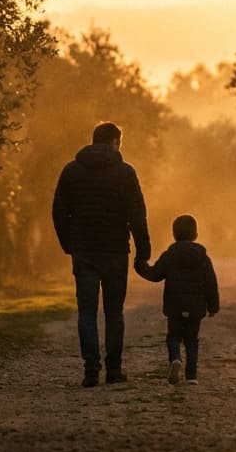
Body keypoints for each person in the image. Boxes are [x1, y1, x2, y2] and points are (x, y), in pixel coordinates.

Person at [52, 121, 151, 387]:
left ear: (94, 140)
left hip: (84, 250)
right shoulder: (126, 173)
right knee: (114, 312)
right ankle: (114, 370)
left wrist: (68, 244)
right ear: (115, 142)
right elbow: (138, 215)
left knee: (86, 312)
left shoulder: (71, 171)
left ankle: (91, 370)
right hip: (115, 250)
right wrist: (143, 252)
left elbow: (58, 211)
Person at [134, 213, 219, 386]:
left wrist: (139, 265)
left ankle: (175, 359)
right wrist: (213, 307)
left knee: (173, 336)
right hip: (196, 307)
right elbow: (211, 283)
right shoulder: (203, 257)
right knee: (192, 340)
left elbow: (155, 274)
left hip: (175, 306)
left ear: (174, 234)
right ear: (195, 234)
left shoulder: (170, 255)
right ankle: (191, 376)